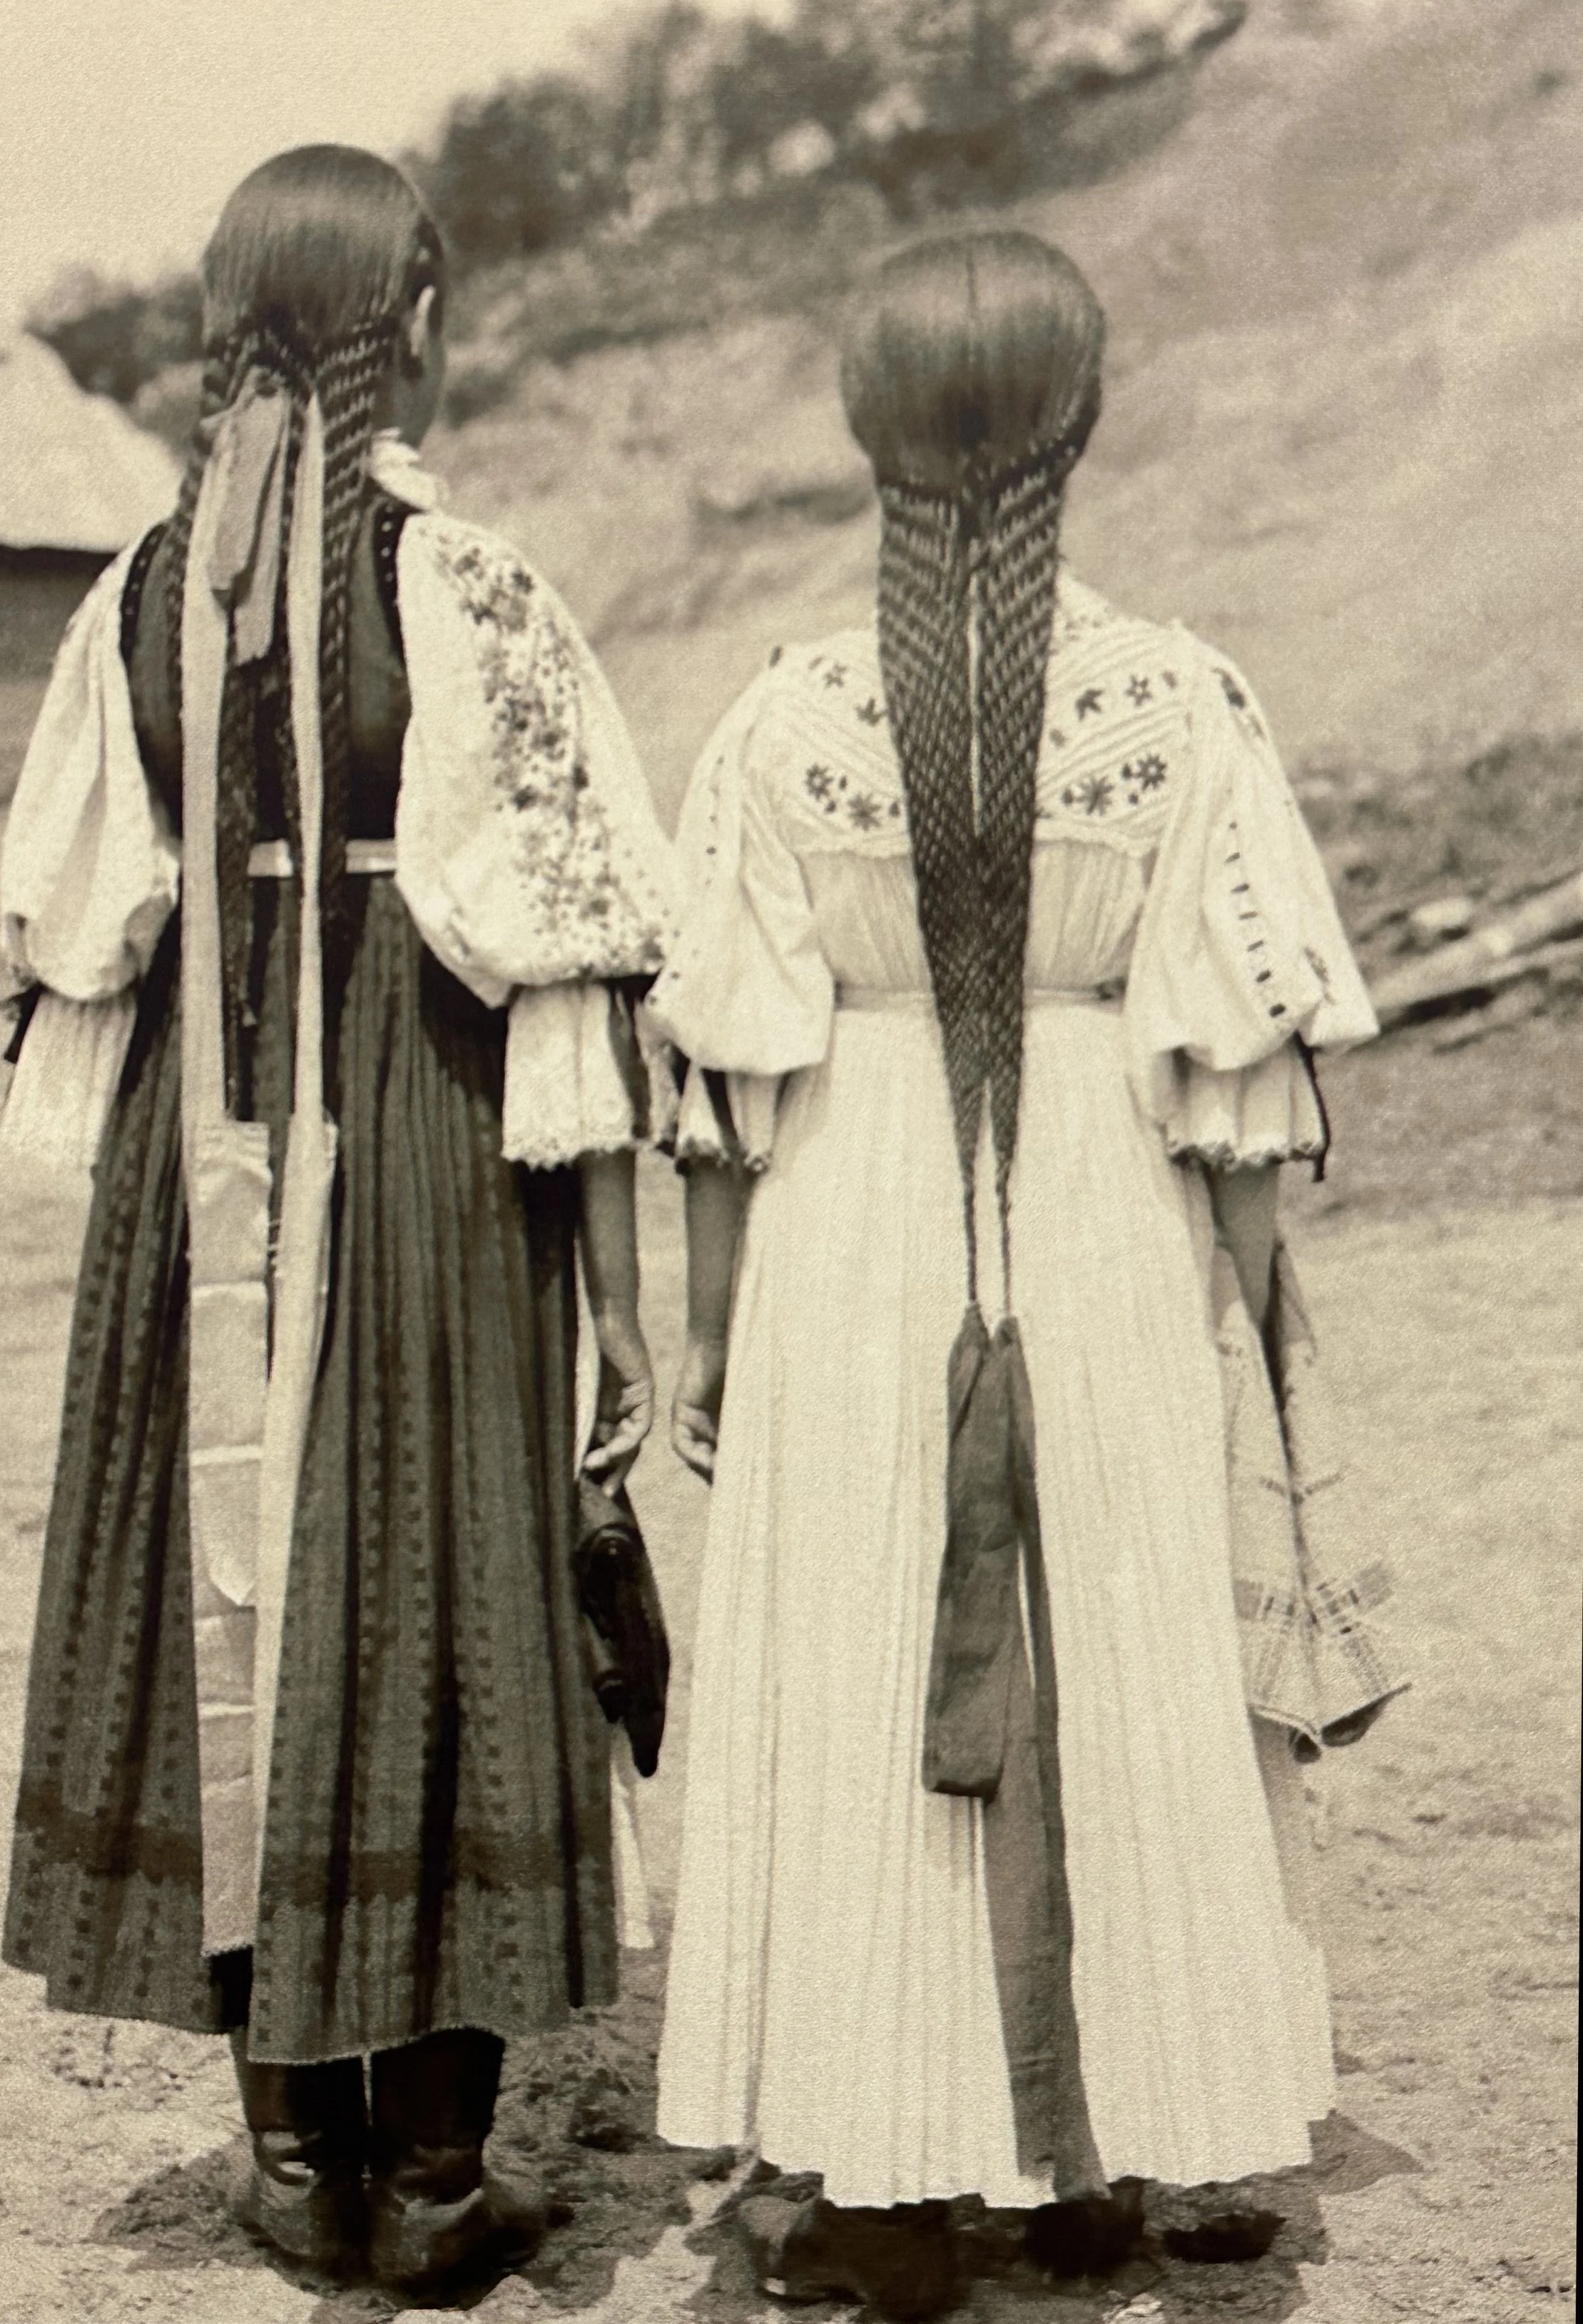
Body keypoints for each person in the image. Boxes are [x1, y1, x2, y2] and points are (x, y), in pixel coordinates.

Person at [646, 229, 1380, 2320]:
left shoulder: (784, 713)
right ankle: (1103, 2148)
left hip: (848, 1211)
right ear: (1079, 414)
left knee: (867, 1644)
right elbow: (1235, 1047)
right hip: (1099, 1192)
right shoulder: (1170, 695)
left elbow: (725, 1065)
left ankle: (886, 2181)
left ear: (863, 426)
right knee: (1122, 1648)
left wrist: (707, 1332)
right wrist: (1255, 1309)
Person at [0, 147, 676, 2297]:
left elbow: (77, 929)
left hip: (206, 1152)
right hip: (413, 1129)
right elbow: (566, 942)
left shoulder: (138, 589)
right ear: (423, 315)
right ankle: (440, 2175)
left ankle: (295, 2165)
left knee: (240, 1592)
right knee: (443, 1563)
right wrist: (620, 1294)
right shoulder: (468, 587)